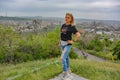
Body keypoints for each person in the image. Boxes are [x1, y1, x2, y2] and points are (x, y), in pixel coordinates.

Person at [59, 13, 80, 79]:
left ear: (71, 19)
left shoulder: (72, 27)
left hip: (68, 44)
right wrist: (59, 42)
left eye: (68, 17)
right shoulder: (63, 25)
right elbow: (61, 35)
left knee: (62, 58)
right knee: (66, 57)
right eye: (66, 17)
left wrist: (73, 41)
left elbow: (78, 35)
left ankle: (66, 74)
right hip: (62, 44)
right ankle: (68, 69)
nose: (66, 18)